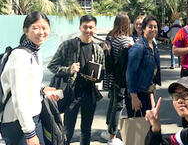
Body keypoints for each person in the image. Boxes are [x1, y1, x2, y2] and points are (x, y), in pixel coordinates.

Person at [0, 11, 59, 145]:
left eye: (44, 28)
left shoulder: (35, 52)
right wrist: (29, 133)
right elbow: (19, 97)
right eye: (36, 28)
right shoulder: (19, 56)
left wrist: (42, 89)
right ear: (26, 30)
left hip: (33, 118)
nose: (41, 32)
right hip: (17, 123)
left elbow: (28, 84)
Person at [47, 15, 105, 145]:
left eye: (91, 27)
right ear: (80, 27)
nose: (88, 30)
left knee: (86, 130)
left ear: (95, 28)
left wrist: (96, 78)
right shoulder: (68, 45)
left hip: (90, 94)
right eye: (85, 27)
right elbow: (52, 66)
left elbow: (103, 73)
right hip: (71, 94)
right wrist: (69, 69)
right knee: (68, 131)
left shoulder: (98, 50)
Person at [100, 13, 134, 145]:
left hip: (112, 76)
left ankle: (108, 131)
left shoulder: (110, 37)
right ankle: (112, 137)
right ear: (126, 24)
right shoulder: (126, 40)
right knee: (119, 105)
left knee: (113, 103)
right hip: (122, 78)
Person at [126, 15, 161, 117]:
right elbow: (130, 73)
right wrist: (134, 97)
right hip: (138, 94)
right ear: (144, 28)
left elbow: (151, 76)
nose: (153, 29)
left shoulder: (153, 46)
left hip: (147, 93)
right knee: (138, 129)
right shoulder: (139, 47)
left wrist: (151, 97)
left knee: (148, 126)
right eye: (150, 27)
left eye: (155, 27)